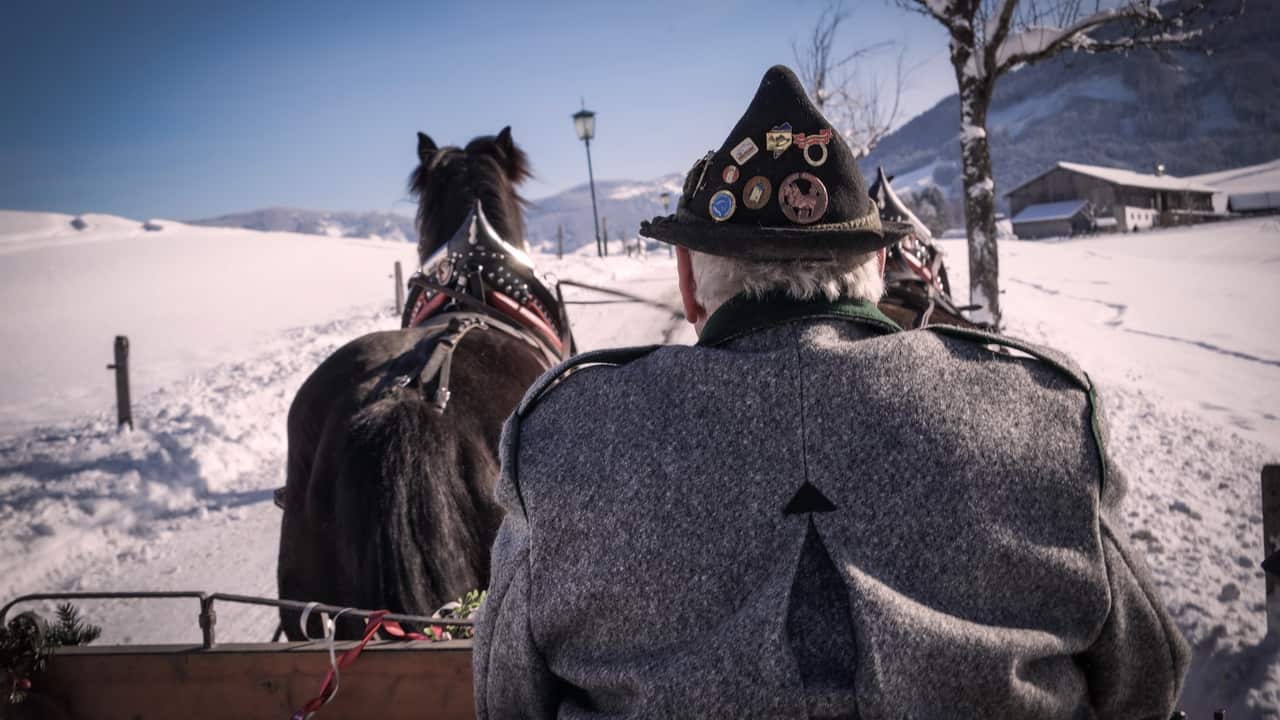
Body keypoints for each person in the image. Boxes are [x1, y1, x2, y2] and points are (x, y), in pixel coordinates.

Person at [473, 65, 1189, 719]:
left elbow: (505, 701)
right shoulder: (1044, 413)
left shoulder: (563, 443)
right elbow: (1146, 679)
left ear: (690, 282)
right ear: (878, 264)